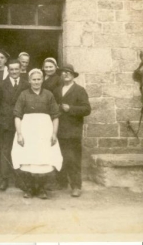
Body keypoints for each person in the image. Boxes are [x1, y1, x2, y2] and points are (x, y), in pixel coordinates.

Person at [12, 69, 63, 200]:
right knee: (28, 159)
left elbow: (55, 116)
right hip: (28, 131)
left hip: (44, 131)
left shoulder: (48, 94)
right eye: (33, 79)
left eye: (39, 79)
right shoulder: (23, 95)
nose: (36, 82)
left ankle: (41, 189)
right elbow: (17, 115)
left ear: (42, 80)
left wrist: (54, 134)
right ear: (29, 81)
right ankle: (29, 189)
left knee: (43, 159)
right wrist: (19, 134)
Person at [53, 63, 91, 198]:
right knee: (60, 156)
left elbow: (87, 109)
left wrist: (71, 109)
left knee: (73, 159)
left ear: (73, 75)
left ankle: (76, 186)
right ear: (61, 75)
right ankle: (61, 182)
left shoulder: (79, 90)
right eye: (63, 72)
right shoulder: (57, 90)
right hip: (59, 129)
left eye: (68, 72)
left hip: (73, 130)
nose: (66, 74)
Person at [0, 59, 30, 191]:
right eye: (11, 69)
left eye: (16, 69)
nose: (14, 72)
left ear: (20, 70)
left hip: (22, 123)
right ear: (8, 70)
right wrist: (4, 116)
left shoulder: (26, 84)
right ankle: (4, 179)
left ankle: (20, 179)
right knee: (5, 150)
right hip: (6, 123)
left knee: (21, 150)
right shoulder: (1, 85)